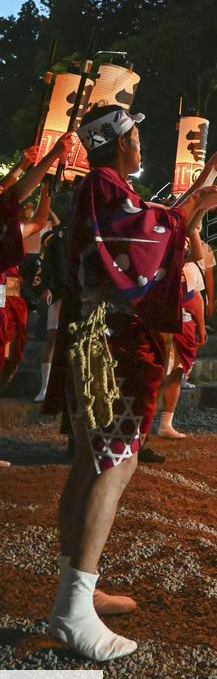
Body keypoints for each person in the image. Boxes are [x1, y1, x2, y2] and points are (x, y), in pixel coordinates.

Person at [43, 104, 217, 662]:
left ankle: (76, 584)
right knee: (115, 460)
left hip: (100, 337)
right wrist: (195, 204)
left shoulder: (108, 190)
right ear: (119, 141)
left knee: (92, 461)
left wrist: (199, 192)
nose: (140, 141)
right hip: (113, 343)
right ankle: (71, 608)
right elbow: (145, 241)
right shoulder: (104, 186)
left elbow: (152, 229)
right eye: (136, 133)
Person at [0, 135, 73, 460]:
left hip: (7, 306)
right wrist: (39, 162)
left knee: (6, 363)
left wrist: (46, 187)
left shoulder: (12, 227)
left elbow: (39, 219)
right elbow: (14, 192)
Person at [158, 241, 207, 439]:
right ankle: (139, 429)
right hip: (164, 324)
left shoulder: (192, 268)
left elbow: (196, 297)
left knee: (176, 373)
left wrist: (201, 325)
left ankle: (165, 424)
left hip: (185, 324)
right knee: (158, 375)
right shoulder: (161, 263)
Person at [37, 219, 68, 402]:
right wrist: (47, 286)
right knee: (52, 338)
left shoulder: (86, 230)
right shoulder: (58, 237)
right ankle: (45, 387)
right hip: (59, 292)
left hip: (79, 293)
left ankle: (66, 387)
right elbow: (48, 263)